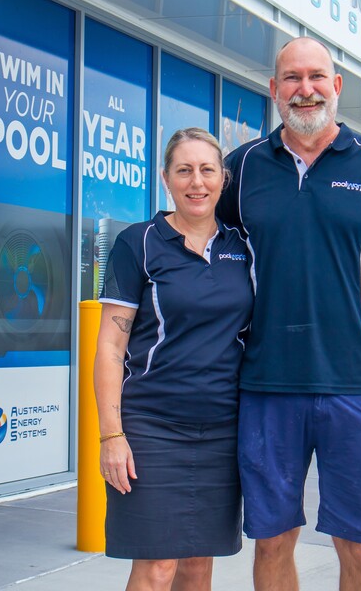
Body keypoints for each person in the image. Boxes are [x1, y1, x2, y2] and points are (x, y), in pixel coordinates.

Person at [218, 37, 361, 591]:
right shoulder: (241, 169)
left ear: (336, 86)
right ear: (274, 89)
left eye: (316, 77)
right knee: (272, 541)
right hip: (266, 385)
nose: (305, 89)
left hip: (355, 385)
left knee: (359, 546)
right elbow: (207, 262)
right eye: (292, 78)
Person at [94, 128, 253, 591]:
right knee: (157, 566)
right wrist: (112, 435)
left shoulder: (243, 247)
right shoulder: (138, 243)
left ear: (223, 179)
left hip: (223, 430)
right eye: (184, 170)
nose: (196, 182)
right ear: (166, 178)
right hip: (152, 428)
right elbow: (110, 347)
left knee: (198, 563)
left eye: (206, 170)